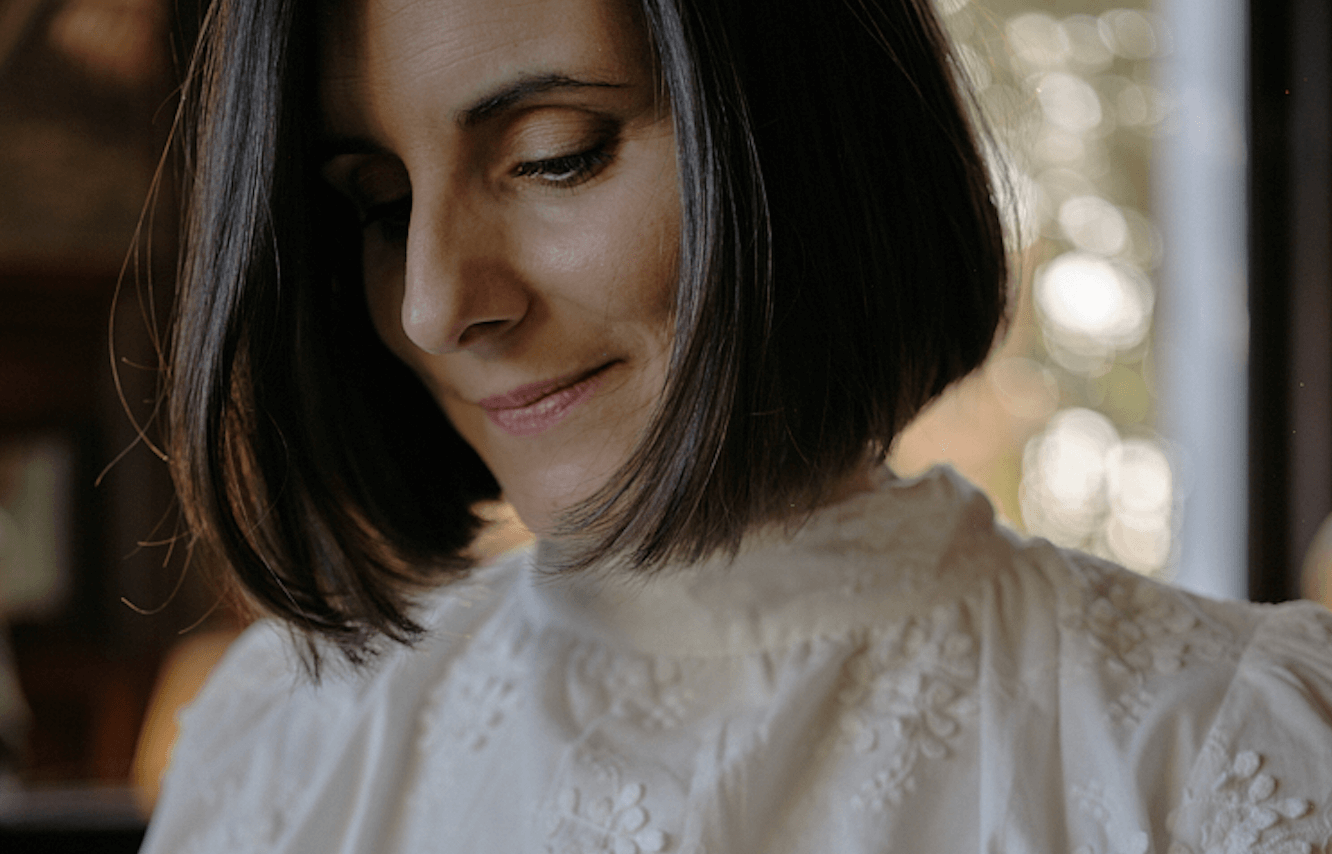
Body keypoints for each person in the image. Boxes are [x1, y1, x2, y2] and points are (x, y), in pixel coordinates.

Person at [140, 0, 1332, 850]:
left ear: (807, 131)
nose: (434, 303)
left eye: (556, 157)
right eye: (381, 203)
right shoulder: (283, 745)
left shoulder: (1224, 748)